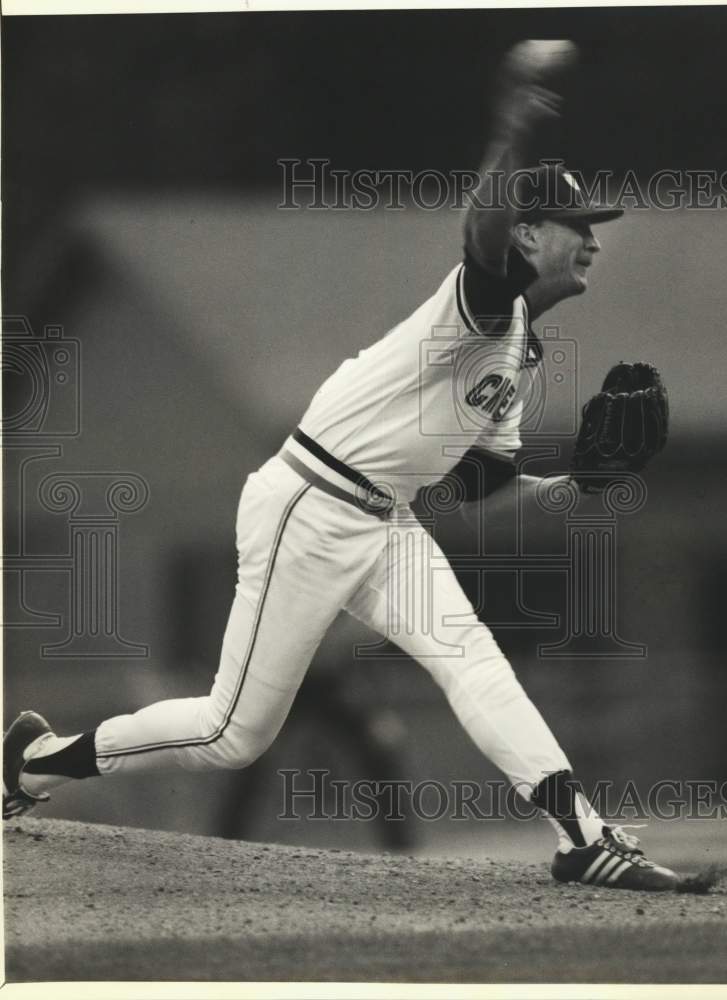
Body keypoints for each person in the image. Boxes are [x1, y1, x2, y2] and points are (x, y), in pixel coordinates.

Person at [3, 40, 678, 891]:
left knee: (472, 661)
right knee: (231, 734)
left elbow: (472, 489)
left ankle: (582, 836)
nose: (593, 243)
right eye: (580, 227)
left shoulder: (519, 351)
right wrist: (511, 121)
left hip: (384, 521)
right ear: (532, 232)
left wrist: (582, 483)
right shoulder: (479, 306)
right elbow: (480, 229)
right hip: (307, 507)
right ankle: (35, 763)